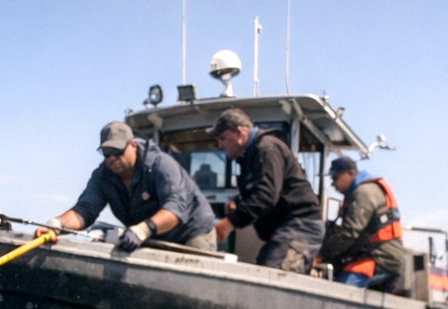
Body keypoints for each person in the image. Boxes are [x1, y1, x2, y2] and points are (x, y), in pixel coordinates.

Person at [36, 121, 217, 253]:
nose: (112, 158)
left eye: (117, 151)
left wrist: (143, 230)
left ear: (133, 145)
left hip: (191, 233)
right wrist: (56, 225)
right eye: (106, 153)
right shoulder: (102, 175)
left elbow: (175, 209)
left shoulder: (161, 164)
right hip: (149, 236)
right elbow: (83, 211)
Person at [210, 107, 324, 273]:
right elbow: (260, 190)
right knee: (262, 272)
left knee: (271, 274)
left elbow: (266, 196)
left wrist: (229, 223)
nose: (220, 145)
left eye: (222, 138)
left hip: (300, 227)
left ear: (240, 133)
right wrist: (237, 203)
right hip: (285, 229)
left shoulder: (267, 148)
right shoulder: (250, 156)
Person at [317, 156, 409, 293]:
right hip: (387, 259)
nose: (333, 183)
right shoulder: (363, 191)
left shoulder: (363, 192)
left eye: (335, 177)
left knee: (339, 291)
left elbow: (349, 233)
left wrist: (321, 253)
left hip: (380, 260)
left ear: (351, 173)